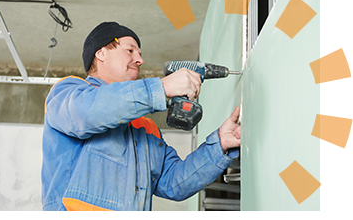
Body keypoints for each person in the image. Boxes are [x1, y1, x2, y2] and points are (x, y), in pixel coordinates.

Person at [41, 22, 241, 211]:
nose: (140, 60)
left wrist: (219, 145)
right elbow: (88, 113)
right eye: (130, 50)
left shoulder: (146, 127)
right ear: (100, 53)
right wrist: (162, 87)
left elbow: (174, 183)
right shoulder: (67, 93)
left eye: (139, 53)